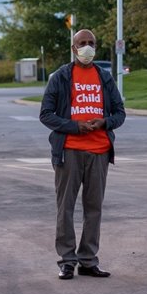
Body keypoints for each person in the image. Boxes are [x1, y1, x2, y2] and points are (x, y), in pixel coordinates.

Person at [40, 29, 125, 280]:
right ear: (73, 48)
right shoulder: (61, 77)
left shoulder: (104, 77)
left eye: (91, 43)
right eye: (82, 43)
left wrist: (104, 122)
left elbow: (120, 112)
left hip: (99, 152)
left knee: (94, 208)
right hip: (70, 151)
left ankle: (88, 260)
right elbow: (46, 114)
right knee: (65, 207)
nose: (87, 47)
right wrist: (75, 126)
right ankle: (67, 260)